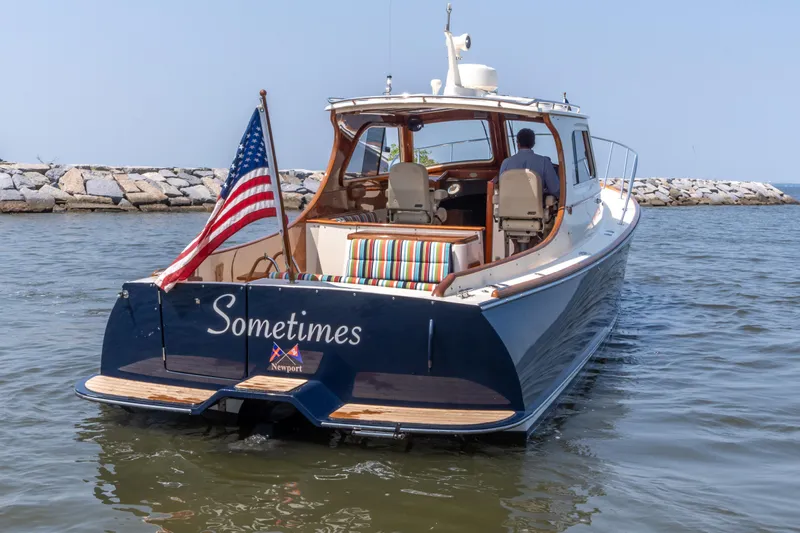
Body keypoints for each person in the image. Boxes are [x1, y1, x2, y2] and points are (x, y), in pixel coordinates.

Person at [497, 128, 560, 198]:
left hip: (509, 208)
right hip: (536, 208)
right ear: (533, 143)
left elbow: (502, 188)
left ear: (518, 143)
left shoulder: (506, 163)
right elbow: (555, 190)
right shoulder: (544, 162)